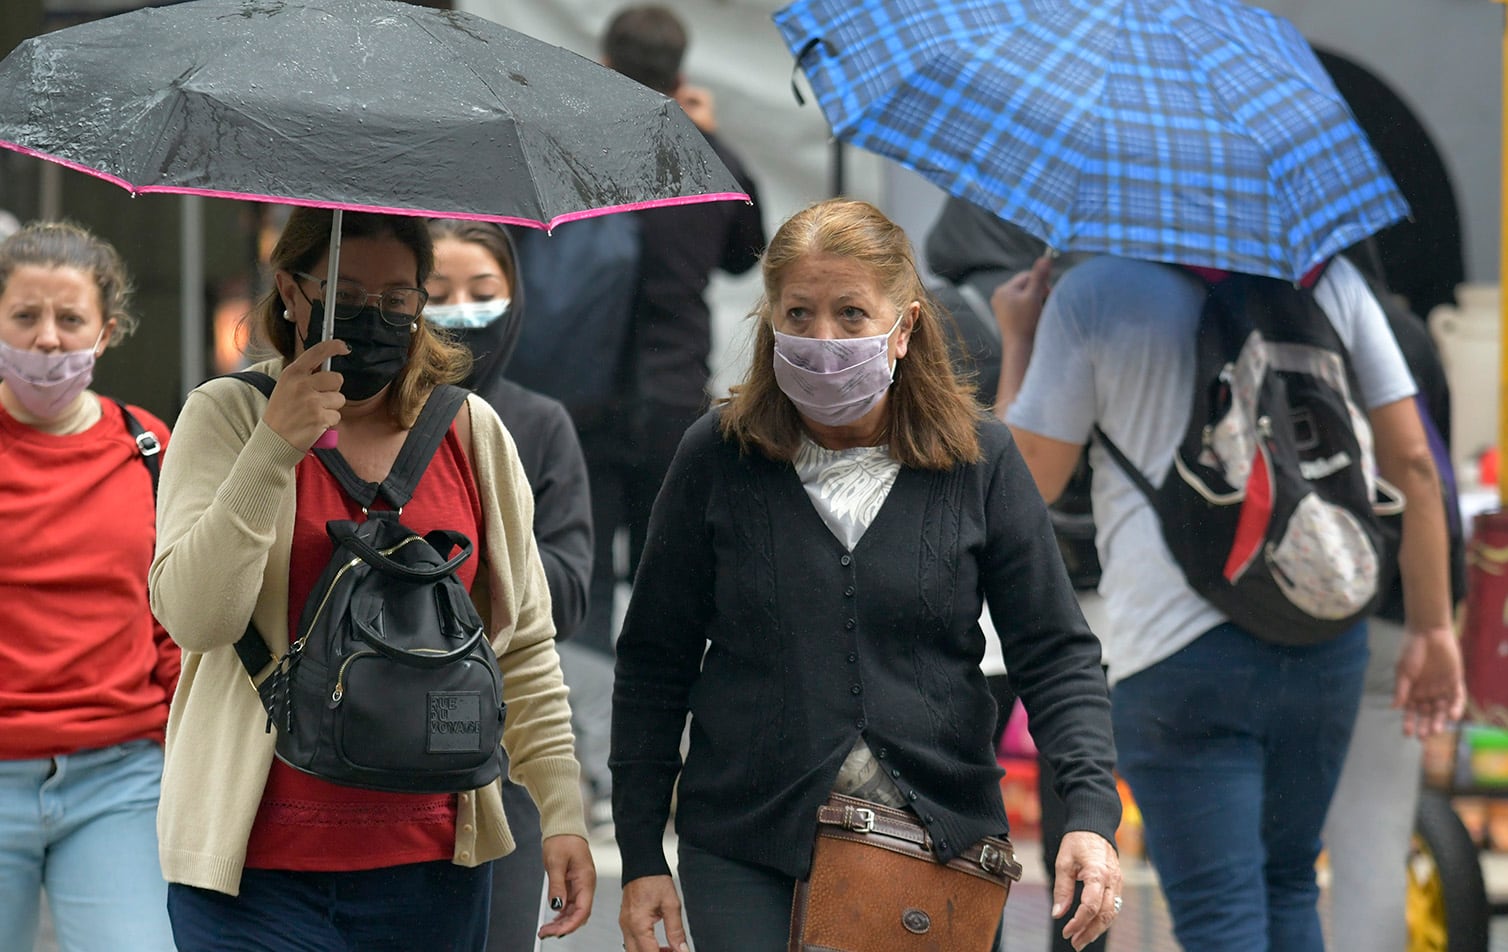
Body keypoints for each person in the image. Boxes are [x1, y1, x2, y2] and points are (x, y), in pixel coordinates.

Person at [611, 198, 1122, 952]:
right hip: (748, 843)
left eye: (852, 314)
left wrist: (1087, 816)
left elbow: (1056, 654)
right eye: (799, 313)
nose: (823, 339)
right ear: (770, 324)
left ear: (905, 326)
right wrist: (641, 853)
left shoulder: (978, 460)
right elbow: (655, 661)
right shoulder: (717, 457)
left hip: (935, 847)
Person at [148, 208, 594, 950]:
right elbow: (196, 620)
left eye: (398, 299)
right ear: (291, 292)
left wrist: (562, 810)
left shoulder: (473, 432)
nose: (377, 318)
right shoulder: (223, 417)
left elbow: (524, 646)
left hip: (430, 869)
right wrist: (271, 451)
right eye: (347, 295)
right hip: (254, 876)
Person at [993, 250, 1465, 952]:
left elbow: (1024, 481)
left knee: (1222, 915)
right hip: (1325, 637)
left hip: (1176, 654)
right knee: (1291, 886)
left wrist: (1020, 338)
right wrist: (1433, 626)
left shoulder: (1096, 292)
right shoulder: (1330, 280)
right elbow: (1416, 463)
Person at [579, 6, 769, 828]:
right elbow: (743, 248)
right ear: (681, 69)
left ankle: (585, 758)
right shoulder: (705, 158)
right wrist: (710, 136)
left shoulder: (577, 149)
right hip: (671, 395)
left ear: (605, 60)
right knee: (674, 582)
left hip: (581, 393)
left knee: (580, 580)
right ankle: (677, 755)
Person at [0, 220, 179, 952]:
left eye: (70, 319)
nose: (47, 340)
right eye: (24, 317)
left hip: (121, 780)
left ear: (105, 333)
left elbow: (173, 617)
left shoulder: (149, 448)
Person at [426, 217, 594, 952]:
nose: (462, 311)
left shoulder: (539, 424)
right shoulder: (361, 423)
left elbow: (571, 591)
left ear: (515, 300)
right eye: (438, 294)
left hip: (503, 747)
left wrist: (465, 556)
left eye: (482, 292)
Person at [1321, 246, 1467, 952]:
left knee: (1256, 865)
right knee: (1373, 854)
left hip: (1258, 619)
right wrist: (1439, 619)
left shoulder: (1230, 312)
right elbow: (1423, 468)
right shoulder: (1401, 333)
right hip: (1387, 612)